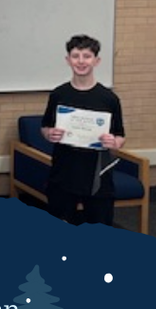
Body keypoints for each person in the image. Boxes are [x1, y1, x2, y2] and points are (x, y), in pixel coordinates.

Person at [41, 34, 126, 225]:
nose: (81, 61)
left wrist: (114, 142)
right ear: (68, 60)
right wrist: (49, 134)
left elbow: (120, 136)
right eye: (75, 56)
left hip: (97, 175)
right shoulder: (58, 95)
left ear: (96, 61)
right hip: (64, 172)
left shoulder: (109, 98)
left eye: (87, 56)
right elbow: (45, 127)